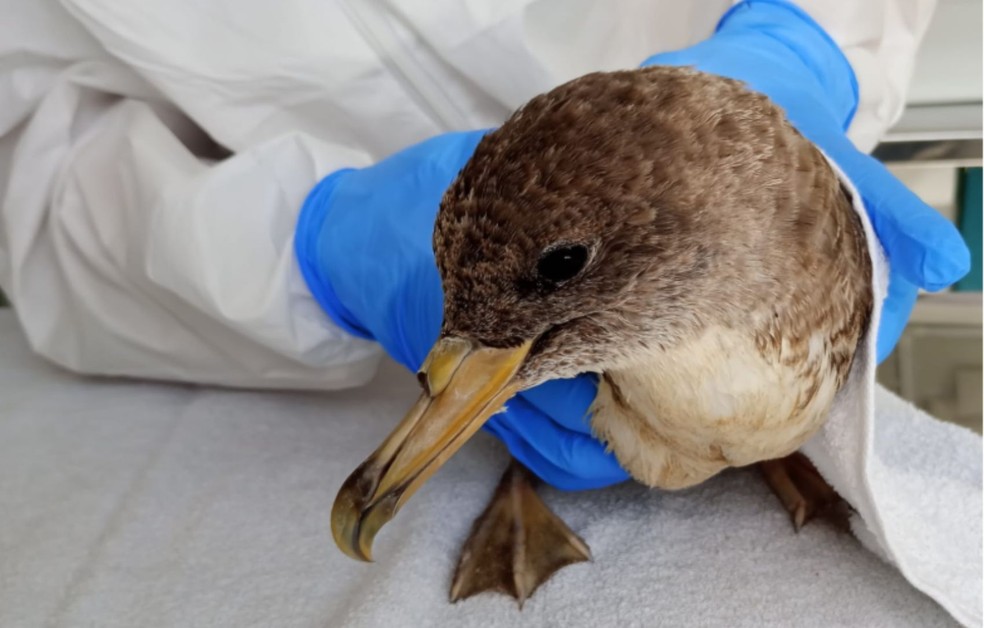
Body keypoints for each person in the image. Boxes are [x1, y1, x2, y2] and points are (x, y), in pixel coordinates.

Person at [0, 0, 969, 490]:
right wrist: (308, 249)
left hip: (717, 197)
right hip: (259, 309)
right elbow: (29, 168)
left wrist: (802, 37)